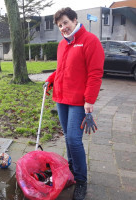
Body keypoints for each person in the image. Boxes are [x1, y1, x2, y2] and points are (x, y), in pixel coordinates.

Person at [44, 7, 104, 200]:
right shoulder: (63, 44)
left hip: (79, 101)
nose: (63, 28)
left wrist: (89, 100)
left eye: (66, 23)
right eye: (60, 25)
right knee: (68, 137)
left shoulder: (90, 41)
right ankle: (71, 169)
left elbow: (95, 73)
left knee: (73, 140)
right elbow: (61, 69)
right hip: (61, 98)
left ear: (75, 20)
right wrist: (51, 79)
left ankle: (81, 180)